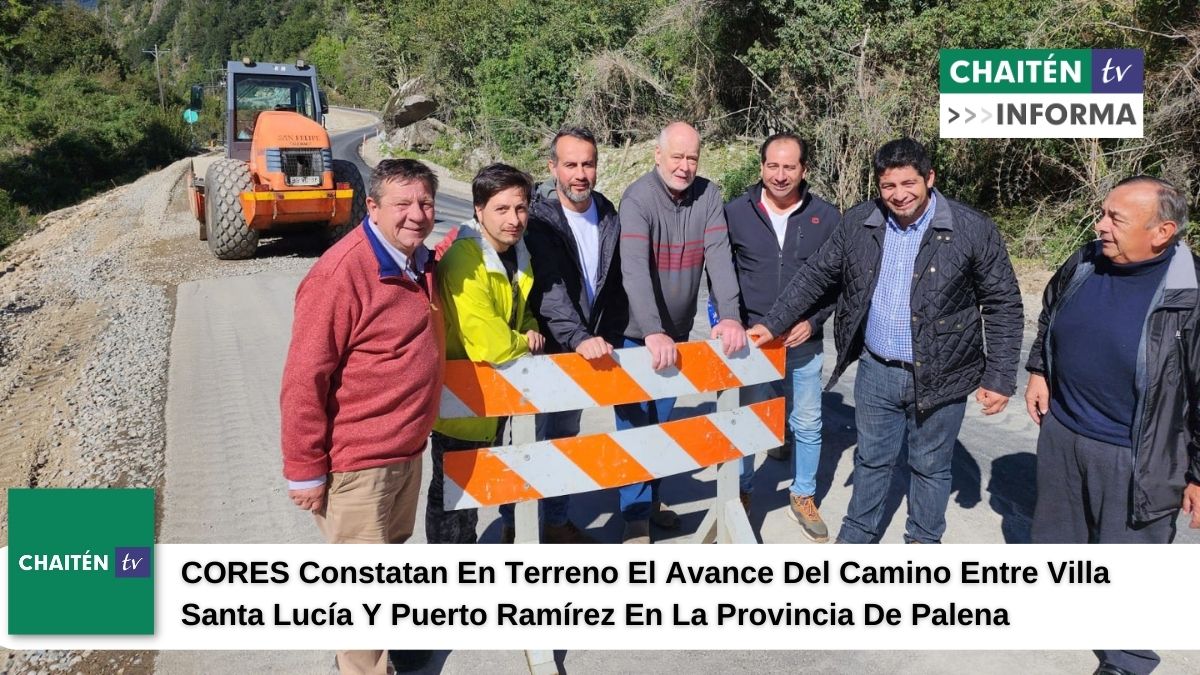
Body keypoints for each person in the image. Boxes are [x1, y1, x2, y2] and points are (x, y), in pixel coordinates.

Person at [748, 138, 1024, 544]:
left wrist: (999, 375)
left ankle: (923, 542)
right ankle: (857, 536)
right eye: (888, 186)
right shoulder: (862, 221)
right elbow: (817, 276)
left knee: (930, 467)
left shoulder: (971, 229)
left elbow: (1003, 304)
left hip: (943, 374)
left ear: (930, 178)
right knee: (872, 460)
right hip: (876, 371)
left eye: (908, 184)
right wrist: (773, 324)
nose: (899, 195)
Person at [1024, 176, 1200, 675]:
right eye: (1103, 213)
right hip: (1064, 430)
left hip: (1138, 451)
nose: (1100, 225)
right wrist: (1039, 369)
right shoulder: (1084, 261)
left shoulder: (1192, 295)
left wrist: (1198, 475)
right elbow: (1051, 313)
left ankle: (1126, 659)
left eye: (1115, 219)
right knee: (1058, 536)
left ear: (1162, 231)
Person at [280, 158, 441, 675]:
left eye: (425, 203)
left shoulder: (415, 260)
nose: (415, 215)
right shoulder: (340, 273)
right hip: (359, 466)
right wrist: (304, 469)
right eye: (402, 204)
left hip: (404, 454)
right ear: (371, 207)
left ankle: (375, 657)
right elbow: (305, 378)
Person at [618, 121, 747, 543]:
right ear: (658, 156)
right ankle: (635, 517)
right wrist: (653, 331)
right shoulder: (638, 198)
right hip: (638, 333)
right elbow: (634, 269)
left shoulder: (708, 195)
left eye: (692, 157)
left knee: (663, 421)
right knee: (636, 425)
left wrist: (727, 314)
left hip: (677, 332)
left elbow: (719, 258)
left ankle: (650, 500)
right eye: (677, 156)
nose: (685, 166)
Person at [724, 132, 840, 541]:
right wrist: (729, 320)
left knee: (807, 421)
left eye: (790, 166)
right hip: (752, 344)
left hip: (803, 342)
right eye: (773, 165)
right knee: (746, 421)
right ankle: (739, 493)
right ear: (761, 168)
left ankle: (803, 495)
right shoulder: (736, 212)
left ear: (803, 170)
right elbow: (721, 274)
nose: (780, 175)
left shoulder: (826, 217)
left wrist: (816, 320)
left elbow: (838, 282)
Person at [517, 126, 629, 544]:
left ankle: (556, 520)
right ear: (553, 168)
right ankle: (519, 521)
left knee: (565, 437)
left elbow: (614, 284)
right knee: (532, 439)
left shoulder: (608, 212)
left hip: (587, 347)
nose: (580, 173)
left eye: (588, 163)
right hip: (549, 350)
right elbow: (549, 289)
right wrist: (578, 337)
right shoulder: (540, 221)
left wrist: (608, 335)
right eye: (570, 164)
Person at [427, 163, 546, 544]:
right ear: (478, 210)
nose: (514, 219)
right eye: (502, 209)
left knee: (474, 496)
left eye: (521, 208)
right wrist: (525, 342)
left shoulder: (517, 253)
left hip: (492, 403)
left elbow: (522, 310)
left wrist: (531, 328)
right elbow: (490, 343)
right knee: (451, 502)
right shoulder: (466, 260)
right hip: (461, 407)